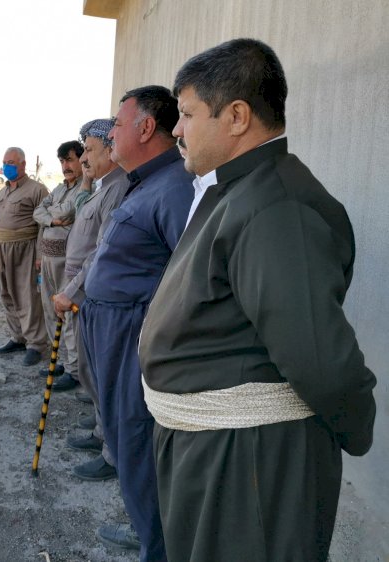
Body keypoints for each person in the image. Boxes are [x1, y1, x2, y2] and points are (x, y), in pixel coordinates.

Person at [139, 39, 377, 562]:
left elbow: (322, 359)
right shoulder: (238, 189)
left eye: (186, 114)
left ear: (238, 116)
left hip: (250, 461)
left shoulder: (277, 208)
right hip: (218, 450)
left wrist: (355, 428)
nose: (177, 130)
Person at [79, 86, 194, 562]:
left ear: (146, 128)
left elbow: (186, 278)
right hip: (110, 330)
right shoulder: (140, 182)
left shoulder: (175, 187)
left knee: (136, 442)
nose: (112, 134)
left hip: (133, 335)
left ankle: (159, 547)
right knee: (125, 443)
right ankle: (148, 531)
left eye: (118, 126)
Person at [53, 119, 130, 486]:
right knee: (90, 372)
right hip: (83, 288)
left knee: (100, 375)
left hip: (91, 292)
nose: (84, 157)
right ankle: (102, 433)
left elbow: (100, 252)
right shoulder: (100, 186)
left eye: (90, 150)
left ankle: (111, 454)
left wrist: (72, 292)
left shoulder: (118, 189)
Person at [0, 147, 49, 366]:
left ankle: (36, 344)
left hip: (25, 250)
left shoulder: (37, 190)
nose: (7, 167)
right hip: (2, 250)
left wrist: (41, 255)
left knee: (27, 296)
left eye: (11, 162)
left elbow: (44, 226)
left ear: (23, 164)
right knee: (7, 295)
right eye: (4, 162)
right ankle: (18, 337)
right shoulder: (2, 192)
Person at [32, 140, 83, 387]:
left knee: (69, 314)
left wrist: (51, 214)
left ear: (82, 160)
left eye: (70, 160)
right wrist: (52, 220)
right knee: (51, 311)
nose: (66, 166)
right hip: (49, 259)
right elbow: (38, 213)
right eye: (62, 161)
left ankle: (75, 371)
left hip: (68, 261)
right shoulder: (59, 189)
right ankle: (60, 361)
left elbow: (64, 213)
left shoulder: (86, 189)